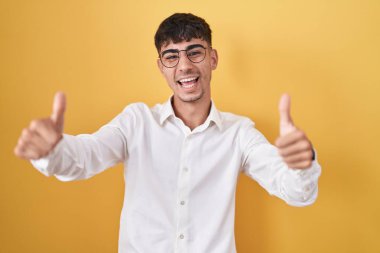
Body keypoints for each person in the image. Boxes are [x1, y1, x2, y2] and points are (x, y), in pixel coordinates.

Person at [14, 13, 321, 253]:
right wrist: (52, 152)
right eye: (172, 56)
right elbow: (85, 157)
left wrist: (302, 164)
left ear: (213, 59)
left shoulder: (238, 133)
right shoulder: (137, 122)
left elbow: (296, 192)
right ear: (161, 67)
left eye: (195, 52)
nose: (184, 66)